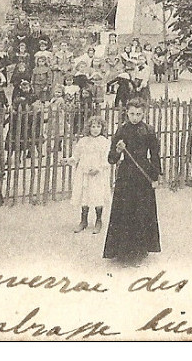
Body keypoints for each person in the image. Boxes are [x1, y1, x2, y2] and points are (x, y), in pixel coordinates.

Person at [104, 99, 162, 263]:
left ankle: (139, 252)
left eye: (138, 114)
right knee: (125, 211)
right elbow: (111, 159)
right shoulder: (121, 130)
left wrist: (156, 176)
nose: (135, 117)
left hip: (143, 175)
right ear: (126, 113)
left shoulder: (148, 130)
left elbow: (155, 155)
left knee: (141, 212)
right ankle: (121, 251)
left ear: (144, 113)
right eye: (132, 114)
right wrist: (117, 149)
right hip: (126, 175)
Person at [63, 115, 112, 234]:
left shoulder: (104, 142)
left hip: (98, 173)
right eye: (93, 126)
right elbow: (76, 156)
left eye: (98, 127)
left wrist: (98, 169)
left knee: (97, 194)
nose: (95, 129)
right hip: (84, 172)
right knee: (84, 195)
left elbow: (106, 159)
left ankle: (98, 220)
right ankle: (83, 220)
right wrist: (68, 160)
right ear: (88, 128)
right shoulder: (83, 141)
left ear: (102, 128)